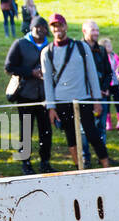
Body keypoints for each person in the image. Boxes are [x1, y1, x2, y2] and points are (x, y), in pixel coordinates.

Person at [41, 14, 111, 168]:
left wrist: (97, 99)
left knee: (92, 133)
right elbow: (47, 81)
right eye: (54, 26)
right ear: (50, 29)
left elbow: (92, 73)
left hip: (83, 98)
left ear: (65, 26)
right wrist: (51, 107)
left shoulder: (81, 47)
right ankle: (79, 167)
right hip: (62, 100)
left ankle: (106, 165)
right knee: (70, 136)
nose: (57, 29)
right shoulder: (47, 52)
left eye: (60, 25)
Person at [3, 15, 53, 173]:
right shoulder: (20, 44)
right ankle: (26, 163)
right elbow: (9, 67)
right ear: (31, 28)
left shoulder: (50, 46)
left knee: (46, 131)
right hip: (26, 95)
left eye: (43, 27)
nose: (40, 30)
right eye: (37, 27)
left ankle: (45, 162)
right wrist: (30, 72)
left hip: (45, 95)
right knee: (26, 131)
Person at [80, 21, 115, 167]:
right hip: (86, 95)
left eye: (97, 30)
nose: (96, 33)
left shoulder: (101, 49)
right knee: (85, 129)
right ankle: (85, 157)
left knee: (101, 127)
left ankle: (103, 156)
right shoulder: (79, 49)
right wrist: (92, 90)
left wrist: (105, 88)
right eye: (92, 30)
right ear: (84, 31)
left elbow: (108, 72)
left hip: (102, 94)